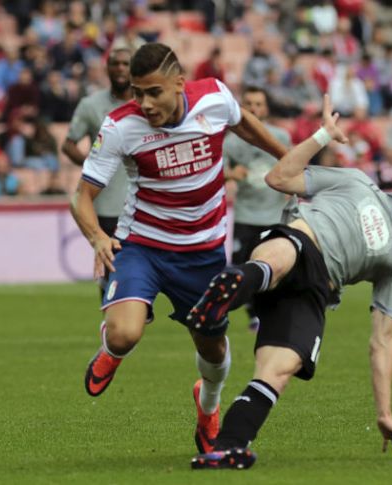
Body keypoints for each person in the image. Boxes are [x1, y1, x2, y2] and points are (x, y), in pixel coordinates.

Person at [188, 94, 392, 469]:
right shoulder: (355, 181)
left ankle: (226, 447)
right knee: (283, 256)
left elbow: (382, 340)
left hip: (319, 290)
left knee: (281, 368)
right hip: (300, 240)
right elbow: (278, 177)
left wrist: (384, 411)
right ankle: (222, 297)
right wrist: (321, 136)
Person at [69, 42, 288, 455]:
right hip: (143, 246)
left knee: (213, 349)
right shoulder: (119, 126)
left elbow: (246, 125)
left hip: (203, 253)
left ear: (179, 83)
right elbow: (81, 196)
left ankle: (208, 408)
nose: (145, 103)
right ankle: (111, 347)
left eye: (154, 92)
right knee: (125, 334)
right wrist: (98, 236)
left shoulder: (215, 98)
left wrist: (290, 158)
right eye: (137, 92)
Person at [62, 47, 134, 301]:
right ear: (107, 69)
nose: (121, 69)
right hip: (105, 204)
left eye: (126, 64)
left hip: (141, 203)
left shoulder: (147, 104)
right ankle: (112, 328)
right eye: (116, 64)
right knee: (109, 270)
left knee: (140, 267)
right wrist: (94, 166)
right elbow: (68, 144)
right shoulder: (91, 105)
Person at [223, 86, 292, 332]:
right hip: (245, 214)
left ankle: (270, 311)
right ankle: (253, 314)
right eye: (249, 104)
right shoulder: (231, 143)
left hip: (274, 215)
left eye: (259, 104)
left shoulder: (280, 137)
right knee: (243, 266)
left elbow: (293, 164)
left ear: (266, 108)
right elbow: (217, 173)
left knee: (278, 267)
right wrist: (231, 173)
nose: (254, 108)